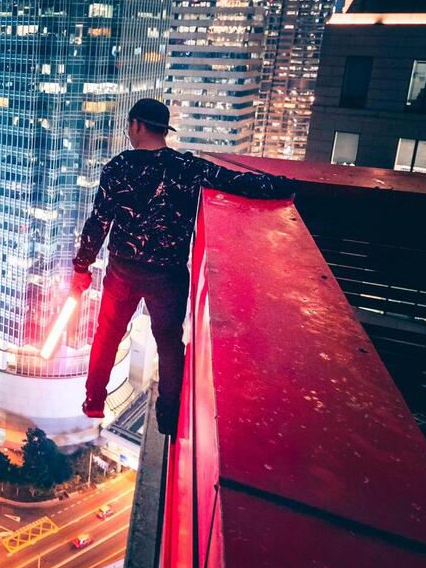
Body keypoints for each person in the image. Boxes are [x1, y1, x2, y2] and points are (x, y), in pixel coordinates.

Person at [72, 98, 293, 436]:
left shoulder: (118, 167)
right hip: (168, 273)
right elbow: (237, 183)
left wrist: (81, 267)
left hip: (123, 271)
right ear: (164, 130)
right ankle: (169, 416)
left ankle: (94, 400)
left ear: (136, 126)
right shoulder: (187, 168)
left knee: (108, 334)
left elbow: (99, 222)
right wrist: (284, 185)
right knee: (169, 342)